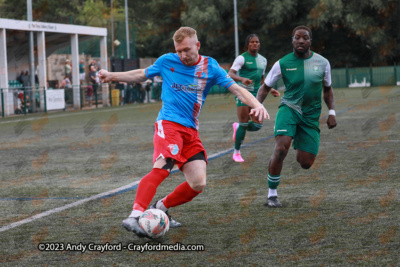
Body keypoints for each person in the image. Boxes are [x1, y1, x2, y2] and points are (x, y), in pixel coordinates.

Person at [99, 26, 270, 238]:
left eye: (187, 50)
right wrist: (111, 75)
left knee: (198, 182)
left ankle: (160, 207)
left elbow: (237, 89)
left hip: (190, 131)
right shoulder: (167, 61)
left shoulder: (211, 67)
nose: (182, 55)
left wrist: (257, 105)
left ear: (197, 45)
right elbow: (140, 75)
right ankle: (135, 215)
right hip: (168, 124)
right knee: (162, 168)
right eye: (179, 50)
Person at [256, 26, 337, 207]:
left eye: (305, 38)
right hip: (289, 109)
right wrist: (257, 107)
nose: (301, 41)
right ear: (292, 40)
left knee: (306, 162)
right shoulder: (282, 63)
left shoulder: (323, 62)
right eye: (297, 38)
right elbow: (265, 87)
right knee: (281, 149)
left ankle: (300, 140)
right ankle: (272, 195)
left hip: (310, 115)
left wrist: (331, 112)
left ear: (310, 41)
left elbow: (328, 89)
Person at [228, 34, 280, 162]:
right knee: (244, 122)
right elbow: (230, 73)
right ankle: (237, 153)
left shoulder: (263, 60)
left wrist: (270, 89)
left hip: (257, 96)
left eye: (257, 42)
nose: (255, 44)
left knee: (257, 126)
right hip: (243, 93)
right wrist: (242, 79)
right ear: (248, 44)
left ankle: (238, 127)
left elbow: (262, 80)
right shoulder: (242, 58)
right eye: (252, 42)